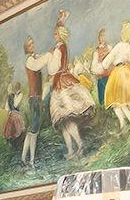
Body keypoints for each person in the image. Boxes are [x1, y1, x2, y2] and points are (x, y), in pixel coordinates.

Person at [47, 23, 96, 159]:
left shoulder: (58, 49)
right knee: (63, 121)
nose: (54, 35)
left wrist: (50, 57)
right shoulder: (62, 47)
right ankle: (70, 150)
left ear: (60, 35)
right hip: (62, 81)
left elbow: (52, 69)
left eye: (56, 33)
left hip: (61, 83)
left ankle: (79, 145)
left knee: (66, 119)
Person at [96, 19, 130, 129]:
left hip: (118, 74)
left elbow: (106, 63)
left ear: (122, 33)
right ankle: (127, 125)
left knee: (117, 103)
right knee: (122, 103)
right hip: (128, 73)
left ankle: (128, 124)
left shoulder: (119, 45)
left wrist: (104, 64)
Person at [21, 36, 49, 167]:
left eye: (33, 43)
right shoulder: (30, 61)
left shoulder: (34, 58)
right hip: (34, 99)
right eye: (30, 45)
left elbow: (40, 59)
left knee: (32, 130)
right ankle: (31, 160)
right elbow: (39, 64)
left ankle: (23, 157)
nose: (33, 45)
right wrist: (50, 54)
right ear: (27, 48)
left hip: (36, 98)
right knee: (34, 131)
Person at [92, 27, 112, 106]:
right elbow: (93, 66)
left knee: (110, 94)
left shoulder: (109, 48)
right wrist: (98, 71)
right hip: (101, 77)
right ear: (98, 38)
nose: (102, 37)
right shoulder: (96, 51)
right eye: (100, 36)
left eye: (103, 35)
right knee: (102, 97)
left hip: (109, 75)